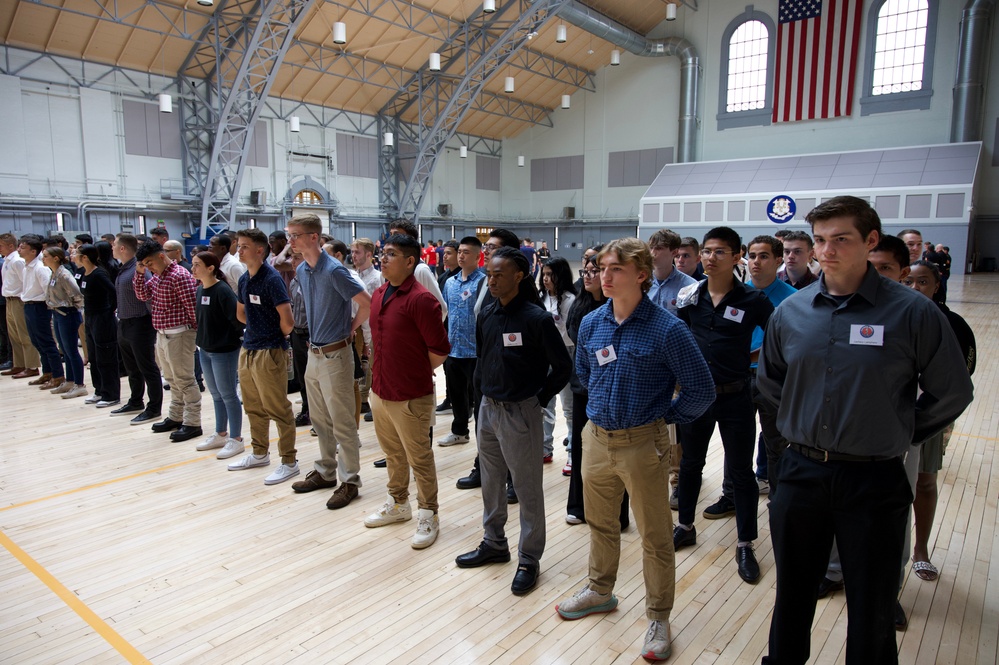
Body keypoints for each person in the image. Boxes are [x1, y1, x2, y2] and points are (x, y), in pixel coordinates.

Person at [758, 196, 974, 665]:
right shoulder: (791, 313)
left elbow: (953, 391)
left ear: (871, 240)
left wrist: (899, 429)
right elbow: (771, 381)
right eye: (819, 240)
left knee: (872, 606)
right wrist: (803, 423)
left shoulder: (911, 313)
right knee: (793, 595)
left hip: (873, 480)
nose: (826, 251)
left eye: (841, 239)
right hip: (801, 474)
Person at [555, 238, 714, 663]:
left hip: (643, 443)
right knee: (601, 523)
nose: (603, 277)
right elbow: (585, 372)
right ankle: (600, 590)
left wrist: (664, 417)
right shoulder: (593, 324)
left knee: (655, 536)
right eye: (601, 268)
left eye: (615, 270)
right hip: (596, 439)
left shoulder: (668, 329)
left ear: (641, 274)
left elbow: (701, 389)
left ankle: (659, 616)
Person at [454, 247, 571, 596]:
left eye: (498, 274)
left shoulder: (535, 319)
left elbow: (563, 367)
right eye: (489, 274)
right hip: (488, 410)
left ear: (519, 276)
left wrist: (538, 399)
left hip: (521, 412)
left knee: (526, 488)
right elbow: (481, 359)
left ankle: (529, 559)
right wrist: (478, 405)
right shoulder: (487, 313)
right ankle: (494, 543)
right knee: (491, 482)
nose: (491, 280)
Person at [674, 227, 773, 585]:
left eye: (720, 252)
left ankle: (745, 543)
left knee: (742, 472)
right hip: (696, 397)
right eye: (707, 251)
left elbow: (777, 341)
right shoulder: (689, 297)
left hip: (736, 397)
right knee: (690, 464)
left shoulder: (754, 301)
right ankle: (685, 525)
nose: (711, 257)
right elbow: (677, 342)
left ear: (737, 257)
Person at [365, 234, 450, 548]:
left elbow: (439, 351)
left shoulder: (421, 300)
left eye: (391, 254)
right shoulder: (378, 293)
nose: (383, 259)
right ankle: (399, 504)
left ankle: (429, 513)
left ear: (410, 261)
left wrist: (412, 370)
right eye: (383, 253)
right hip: (381, 390)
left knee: (420, 459)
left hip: (411, 394)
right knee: (392, 455)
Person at [286, 215, 370, 508]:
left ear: (314, 237)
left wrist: (351, 327)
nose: (291, 241)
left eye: (296, 235)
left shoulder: (334, 270)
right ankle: (325, 471)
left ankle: (350, 481)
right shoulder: (303, 270)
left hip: (336, 354)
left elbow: (367, 302)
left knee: (342, 420)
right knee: (319, 418)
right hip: (314, 352)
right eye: (289, 235)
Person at [903, 259, 976, 584]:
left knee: (925, 481)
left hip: (926, 417)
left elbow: (963, 375)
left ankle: (921, 550)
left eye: (923, 282)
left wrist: (932, 416)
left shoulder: (952, 323)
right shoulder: (895, 316)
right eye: (911, 282)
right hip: (890, 416)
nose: (916, 288)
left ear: (936, 285)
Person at [564, 253, 630, 526]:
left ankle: (618, 513)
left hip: (615, 392)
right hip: (584, 389)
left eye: (596, 270)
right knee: (581, 448)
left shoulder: (619, 310)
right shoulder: (580, 308)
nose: (590, 275)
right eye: (587, 271)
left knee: (617, 456)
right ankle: (579, 506)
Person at [455, 227, 521, 492]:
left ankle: (515, 479)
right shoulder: (484, 281)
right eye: (486, 247)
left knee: (512, 433)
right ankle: (483, 467)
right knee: (486, 427)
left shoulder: (525, 300)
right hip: (485, 362)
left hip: (511, 372)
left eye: (492, 248)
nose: (486, 252)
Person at [133, 240, 202, 442]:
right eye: (145, 265)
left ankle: (193, 422)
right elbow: (142, 294)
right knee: (171, 379)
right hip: (163, 334)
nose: (148, 267)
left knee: (185, 380)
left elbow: (192, 307)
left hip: (180, 334)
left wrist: (196, 334)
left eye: (150, 263)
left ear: (162, 256)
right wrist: (139, 273)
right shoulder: (158, 276)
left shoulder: (178, 275)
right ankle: (176, 416)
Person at [191, 251, 246, 460]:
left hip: (224, 351)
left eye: (197, 265)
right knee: (215, 395)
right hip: (205, 349)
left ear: (211, 268)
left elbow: (237, 320)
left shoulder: (222, 291)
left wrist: (227, 340)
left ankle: (236, 438)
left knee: (229, 395)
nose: (193, 268)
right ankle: (221, 433)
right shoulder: (199, 290)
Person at [437, 236, 485, 448]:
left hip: (475, 351)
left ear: (478, 257)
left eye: (467, 252)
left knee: (479, 398)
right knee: (456, 395)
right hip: (453, 349)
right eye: (460, 252)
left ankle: (483, 439)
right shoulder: (449, 283)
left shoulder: (483, 282)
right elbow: (445, 314)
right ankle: (459, 432)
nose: (462, 256)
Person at [111, 233, 163, 424]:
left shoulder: (140, 268)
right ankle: (135, 401)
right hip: (124, 322)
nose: (112, 247)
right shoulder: (123, 268)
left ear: (123, 248)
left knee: (147, 367)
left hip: (140, 323)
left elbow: (150, 295)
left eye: (115, 244)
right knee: (132, 367)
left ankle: (154, 407)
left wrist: (151, 322)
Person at [539, 257, 576, 464]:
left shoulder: (571, 299)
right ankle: (545, 448)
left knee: (569, 407)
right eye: (544, 274)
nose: (546, 279)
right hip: (545, 356)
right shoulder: (541, 298)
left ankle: (572, 452)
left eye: (550, 274)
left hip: (567, 353)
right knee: (545, 404)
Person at [76, 244, 120, 408]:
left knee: (105, 357)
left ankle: (111, 394)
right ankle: (100, 390)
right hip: (91, 317)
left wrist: (110, 310)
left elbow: (113, 291)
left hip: (103, 318)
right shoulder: (84, 273)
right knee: (93, 356)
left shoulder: (99, 273)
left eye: (77, 254)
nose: (73, 256)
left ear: (85, 257)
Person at [41, 247, 85, 397]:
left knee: (72, 350)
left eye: (46, 256)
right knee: (65, 350)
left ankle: (80, 384)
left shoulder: (64, 274)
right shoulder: (54, 273)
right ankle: (70, 381)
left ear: (56, 258)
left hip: (68, 314)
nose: (43, 258)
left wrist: (73, 310)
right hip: (58, 313)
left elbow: (77, 295)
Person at [19, 235, 63, 387]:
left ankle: (58, 375)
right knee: (36, 341)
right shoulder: (26, 266)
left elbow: (48, 289)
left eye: (23, 247)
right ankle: (47, 372)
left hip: (39, 307)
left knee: (46, 342)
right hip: (29, 305)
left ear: (33, 251)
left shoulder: (40, 268)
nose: (19, 249)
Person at [1, 233, 41, 379]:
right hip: (9, 300)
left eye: (1, 245)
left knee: (24, 335)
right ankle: (19, 364)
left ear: (10, 245)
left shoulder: (17, 261)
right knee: (14, 335)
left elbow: (25, 281)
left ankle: (31, 366)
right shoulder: (7, 260)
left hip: (18, 300)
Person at [351, 238, 383, 416]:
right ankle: (362, 400)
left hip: (371, 328)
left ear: (369, 255)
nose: (353, 256)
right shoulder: (352, 276)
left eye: (358, 252)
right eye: (353, 252)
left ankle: (373, 401)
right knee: (358, 367)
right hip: (356, 326)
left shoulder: (377, 278)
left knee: (374, 366)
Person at [648, 229, 697, 315]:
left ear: (674, 252)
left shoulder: (689, 286)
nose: (652, 253)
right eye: (651, 248)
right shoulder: (640, 282)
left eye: (659, 248)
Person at [288, 251, 311, 427]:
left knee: (313, 378)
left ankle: (317, 412)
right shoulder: (294, 281)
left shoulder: (311, 279)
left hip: (311, 334)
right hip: (297, 331)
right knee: (301, 375)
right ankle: (306, 409)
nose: (292, 261)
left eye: (296, 258)